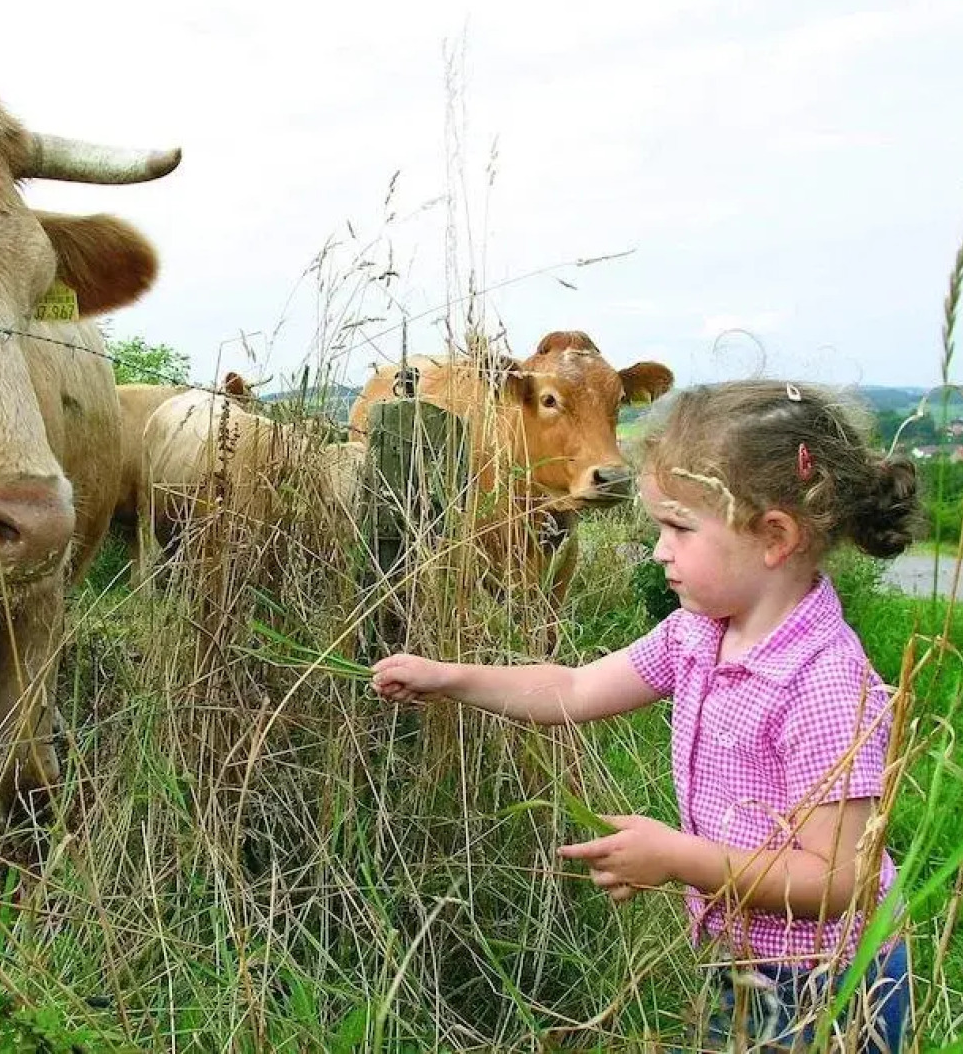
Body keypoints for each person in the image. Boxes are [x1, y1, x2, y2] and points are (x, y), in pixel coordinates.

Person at [370, 379, 921, 1051]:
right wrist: (452, 678)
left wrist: (676, 856)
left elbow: (837, 880)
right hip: (743, 956)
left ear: (773, 536)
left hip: (830, 981)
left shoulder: (823, 683)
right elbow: (572, 689)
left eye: (678, 528)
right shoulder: (697, 632)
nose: (659, 550)